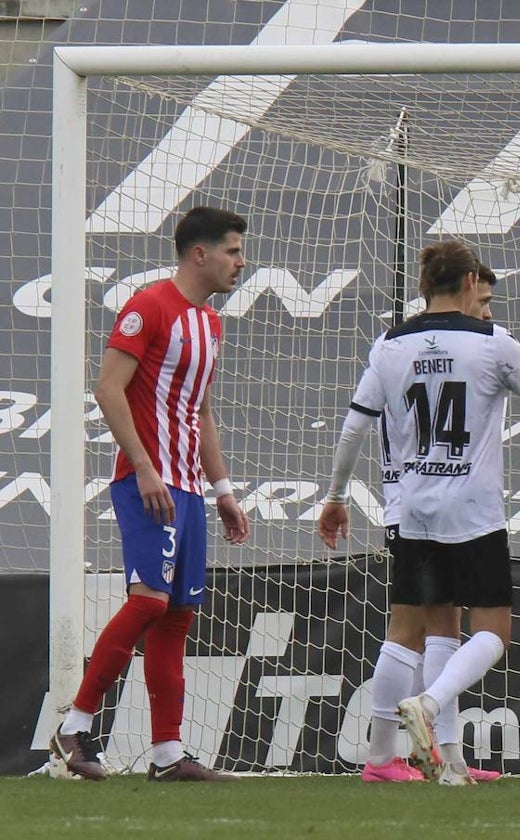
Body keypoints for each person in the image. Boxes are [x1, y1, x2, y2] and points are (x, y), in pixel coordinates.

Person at [318, 240, 520, 785]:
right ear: (470, 283)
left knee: (425, 632)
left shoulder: (388, 346)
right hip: (473, 513)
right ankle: (426, 710)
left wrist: (336, 496)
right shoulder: (492, 342)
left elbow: (354, 427)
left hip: (412, 509)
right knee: (493, 631)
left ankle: (432, 760)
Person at [48, 206, 251, 782]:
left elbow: (202, 411)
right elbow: (108, 387)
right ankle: (73, 726)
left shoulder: (210, 324)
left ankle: (167, 754)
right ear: (199, 254)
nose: (241, 261)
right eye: (233, 251)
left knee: (177, 618)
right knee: (149, 602)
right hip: (147, 484)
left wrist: (224, 489)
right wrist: (142, 465)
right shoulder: (148, 307)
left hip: (187, 489)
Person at [321, 266, 501, 784]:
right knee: (409, 632)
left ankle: (445, 754)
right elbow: (356, 424)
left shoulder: (400, 348)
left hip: (424, 505)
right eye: (483, 300)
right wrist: (335, 495)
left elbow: (359, 422)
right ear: (464, 288)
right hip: (418, 506)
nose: (487, 312)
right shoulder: (415, 350)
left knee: (443, 627)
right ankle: (379, 759)